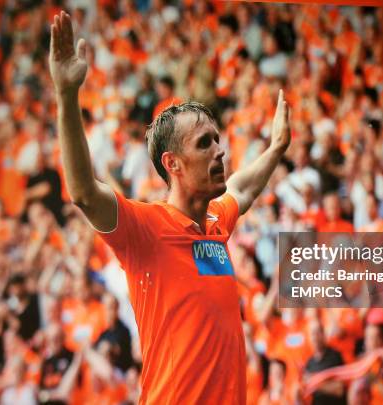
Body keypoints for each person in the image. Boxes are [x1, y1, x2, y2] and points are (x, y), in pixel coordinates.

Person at [48, 11, 291, 404]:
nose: (220, 150)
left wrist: (276, 149)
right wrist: (66, 96)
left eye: (217, 139)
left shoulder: (215, 223)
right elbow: (84, 193)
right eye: (204, 144)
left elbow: (243, 188)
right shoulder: (144, 228)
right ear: (172, 164)